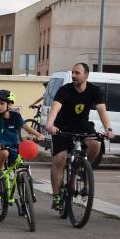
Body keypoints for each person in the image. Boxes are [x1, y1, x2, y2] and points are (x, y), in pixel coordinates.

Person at [45, 63, 115, 211]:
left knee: (96, 143)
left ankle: (83, 167)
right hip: (61, 127)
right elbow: (55, 108)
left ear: (86, 75)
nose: (74, 75)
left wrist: (108, 129)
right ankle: (57, 196)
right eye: (73, 73)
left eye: (77, 73)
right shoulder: (65, 90)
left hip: (82, 126)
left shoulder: (94, 90)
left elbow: (102, 111)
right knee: (60, 159)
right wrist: (50, 125)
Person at [0, 90, 45, 186]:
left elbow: (27, 128)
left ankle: (25, 192)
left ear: (9, 105)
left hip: (14, 145)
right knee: (4, 153)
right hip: (0, 145)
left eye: (2, 103)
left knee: (19, 165)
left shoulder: (16, 116)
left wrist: (38, 135)